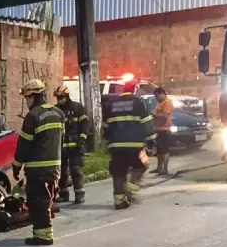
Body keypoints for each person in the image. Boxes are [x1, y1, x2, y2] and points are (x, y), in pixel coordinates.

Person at [13, 79, 65, 245]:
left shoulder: (33, 116)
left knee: (38, 201)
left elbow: (24, 145)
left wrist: (16, 165)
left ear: (33, 96)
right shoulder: (58, 113)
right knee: (46, 199)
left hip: (37, 168)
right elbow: (59, 141)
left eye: (27, 98)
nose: (26, 102)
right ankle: (41, 233)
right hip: (55, 166)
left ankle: (44, 236)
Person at [102, 78, 156, 209]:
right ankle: (131, 186)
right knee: (143, 164)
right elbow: (146, 123)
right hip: (135, 145)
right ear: (135, 89)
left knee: (118, 172)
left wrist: (108, 142)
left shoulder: (111, 103)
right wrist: (151, 142)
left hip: (115, 145)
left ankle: (119, 201)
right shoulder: (138, 103)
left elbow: (105, 125)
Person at [53, 85, 89, 205]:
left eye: (61, 97)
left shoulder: (77, 108)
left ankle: (79, 195)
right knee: (61, 172)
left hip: (75, 146)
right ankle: (63, 195)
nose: (59, 100)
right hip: (61, 147)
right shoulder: (55, 110)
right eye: (58, 98)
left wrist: (82, 140)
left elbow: (84, 124)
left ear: (67, 96)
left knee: (76, 170)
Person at [151, 87, 174, 175]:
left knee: (164, 150)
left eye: (157, 96)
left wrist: (154, 114)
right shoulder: (160, 102)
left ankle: (165, 169)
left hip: (164, 129)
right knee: (159, 150)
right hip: (158, 129)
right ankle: (159, 168)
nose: (156, 98)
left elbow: (165, 116)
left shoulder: (167, 102)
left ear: (161, 93)